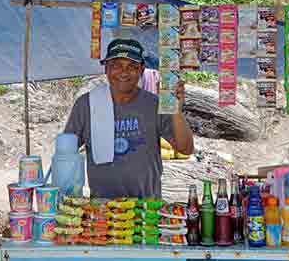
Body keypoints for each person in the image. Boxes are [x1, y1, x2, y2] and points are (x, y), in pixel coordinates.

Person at [64, 38, 194, 198]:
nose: (123, 72)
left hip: (147, 210)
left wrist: (176, 109)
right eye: (116, 65)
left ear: (141, 70)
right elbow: (65, 151)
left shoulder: (154, 104)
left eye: (131, 66)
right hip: (102, 212)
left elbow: (185, 149)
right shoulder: (86, 104)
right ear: (106, 69)